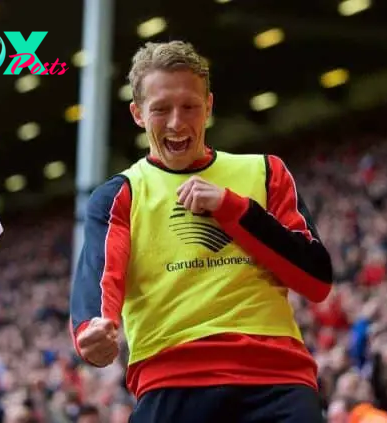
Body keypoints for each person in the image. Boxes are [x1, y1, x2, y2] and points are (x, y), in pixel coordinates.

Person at [69, 40, 334, 422]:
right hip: (172, 380)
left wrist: (233, 208)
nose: (177, 122)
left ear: (208, 106)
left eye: (189, 107)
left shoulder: (266, 172)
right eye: (160, 109)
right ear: (138, 114)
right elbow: (99, 281)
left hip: (276, 379)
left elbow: (316, 280)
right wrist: (92, 330)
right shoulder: (118, 196)